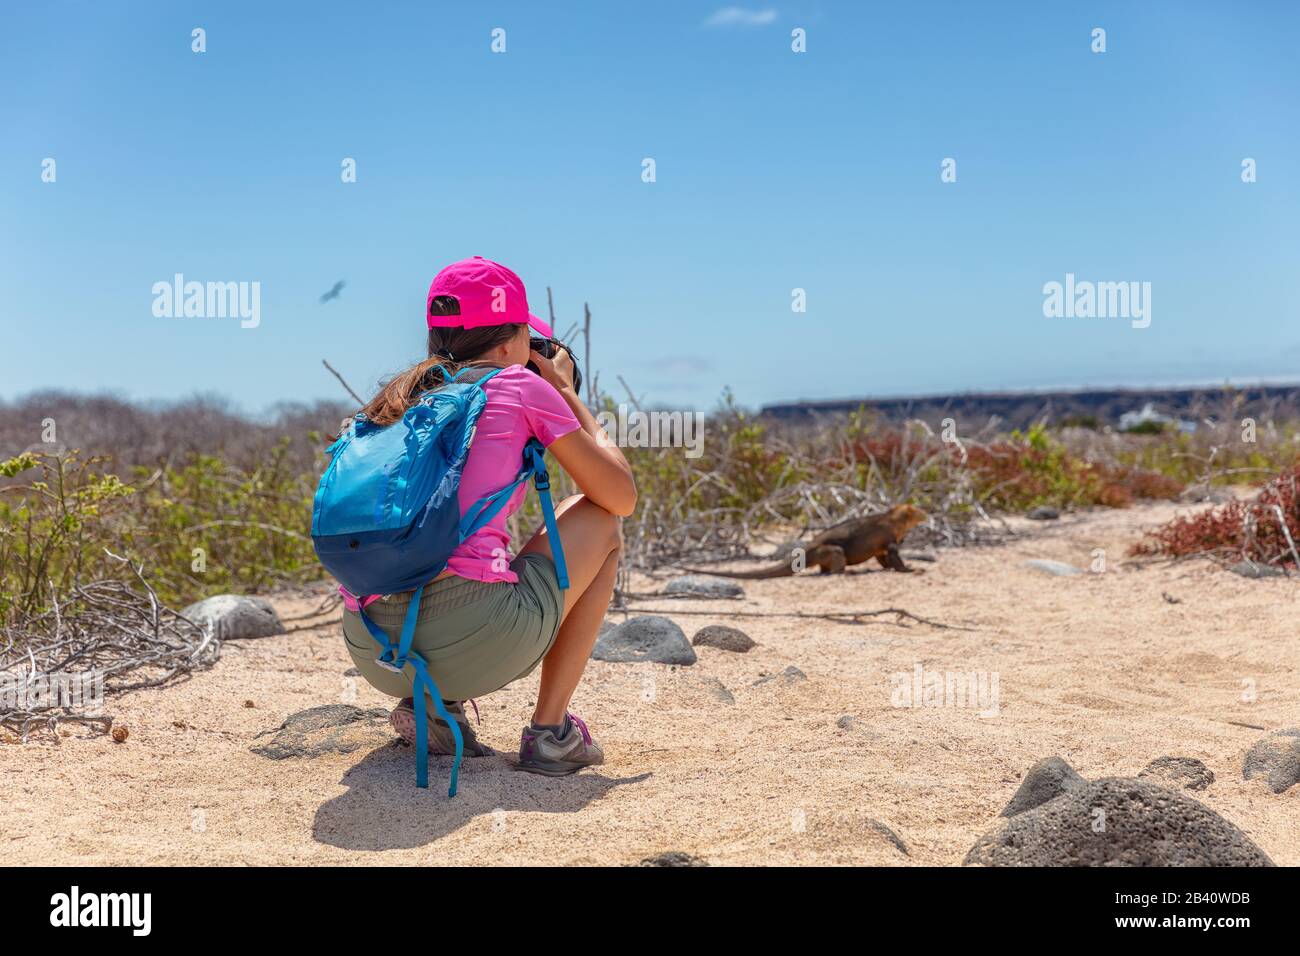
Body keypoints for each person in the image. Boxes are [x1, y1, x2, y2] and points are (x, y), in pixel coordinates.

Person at [339, 256, 636, 776]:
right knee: (599, 521)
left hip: (374, 648)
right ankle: (551, 735)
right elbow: (620, 495)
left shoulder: (398, 397)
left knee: (460, 548)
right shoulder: (523, 389)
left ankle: (431, 707)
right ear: (508, 345)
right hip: (473, 643)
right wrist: (564, 390)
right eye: (528, 339)